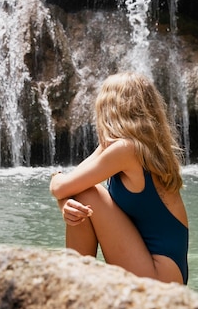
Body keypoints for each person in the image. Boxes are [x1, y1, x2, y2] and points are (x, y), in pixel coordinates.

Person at [50, 71, 189, 285]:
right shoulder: (139, 147)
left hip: (158, 278)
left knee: (87, 193)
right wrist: (65, 205)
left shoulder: (127, 150)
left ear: (108, 108)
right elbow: (70, 189)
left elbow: (63, 187)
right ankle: (76, 288)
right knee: (82, 195)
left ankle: (75, 289)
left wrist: (57, 177)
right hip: (168, 275)